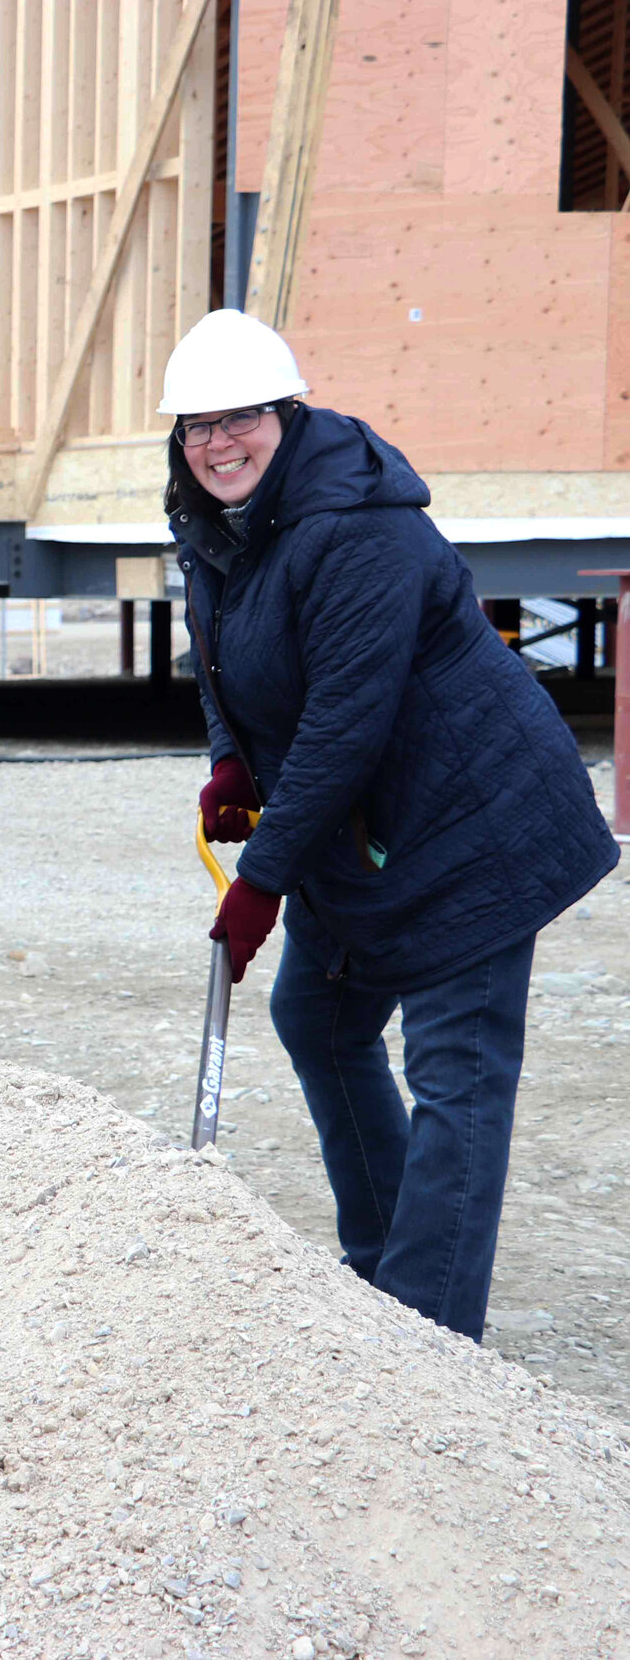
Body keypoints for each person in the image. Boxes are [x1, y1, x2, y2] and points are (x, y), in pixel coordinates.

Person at [164, 308, 618, 1343]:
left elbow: (345, 720)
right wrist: (230, 760)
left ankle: (429, 1327)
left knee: (456, 1068)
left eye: (239, 419)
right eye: (196, 425)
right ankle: (378, 1266)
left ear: (286, 414)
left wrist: (262, 877)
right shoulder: (211, 519)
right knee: (319, 1020)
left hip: (478, 823)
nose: (216, 443)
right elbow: (223, 659)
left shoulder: (359, 526)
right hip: (362, 827)